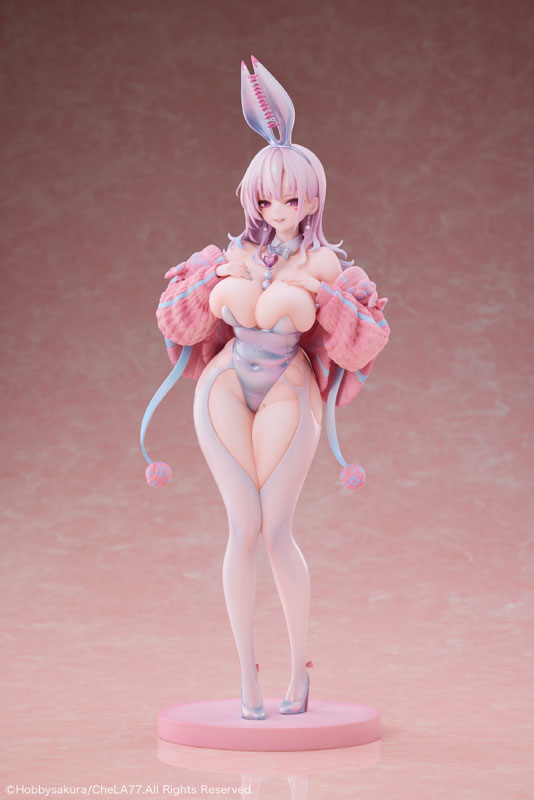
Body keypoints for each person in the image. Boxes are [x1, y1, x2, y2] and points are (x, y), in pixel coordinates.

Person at [141, 57, 390, 721]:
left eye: (293, 199)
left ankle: (298, 668)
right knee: (241, 528)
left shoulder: (324, 263)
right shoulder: (233, 256)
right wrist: (217, 280)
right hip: (224, 383)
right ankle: (245, 674)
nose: (279, 211)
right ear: (251, 201)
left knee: (276, 531)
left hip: (287, 384)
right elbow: (178, 316)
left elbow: (360, 339)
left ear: (313, 200)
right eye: (266, 200)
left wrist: (320, 297)